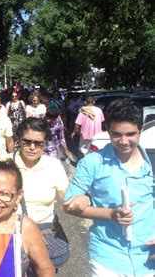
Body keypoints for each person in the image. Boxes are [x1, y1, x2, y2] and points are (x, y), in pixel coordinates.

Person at [64, 98, 155, 276]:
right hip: (107, 257)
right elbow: (69, 204)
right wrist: (111, 214)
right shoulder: (92, 162)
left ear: (141, 130)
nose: (123, 141)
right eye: (116, 134)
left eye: (130, 134)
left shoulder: (152, 161)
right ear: (107, 130)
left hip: (147, 257)